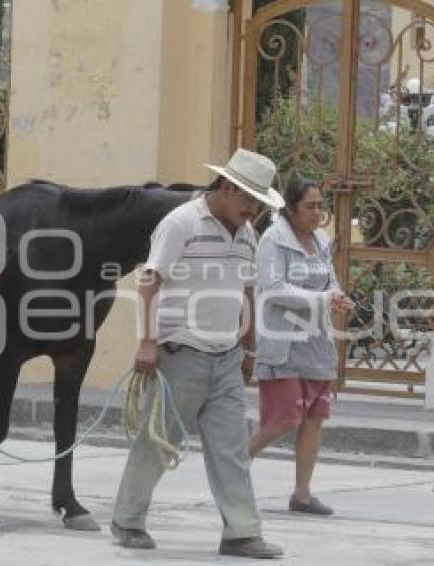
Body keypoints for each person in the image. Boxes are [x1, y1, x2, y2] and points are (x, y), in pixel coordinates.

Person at [110, 149, 285, 559]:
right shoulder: (181, 223)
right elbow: (149, 282)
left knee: (231, 449)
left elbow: (247, 293)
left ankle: (241, 532)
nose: (253, 209)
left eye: (259, 203)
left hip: (225, 355)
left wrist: (248, 351)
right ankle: (128, 519)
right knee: (158, 443)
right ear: (226, 187)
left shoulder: (246, 234)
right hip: (179, 353)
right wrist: (147, 343)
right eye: (249, 199)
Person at [249, 177, 355, 516]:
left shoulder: (321, 239)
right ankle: (233, 464)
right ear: (290, 208)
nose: (317, 212)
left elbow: (330, 278)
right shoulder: (273, 240)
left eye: (321, 205)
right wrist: (322, 298)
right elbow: (275, 289)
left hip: (316, 341)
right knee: (283, 418)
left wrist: (336, 297)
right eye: (310, 206)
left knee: (314, 417)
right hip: (283, 342)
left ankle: (302, 493)